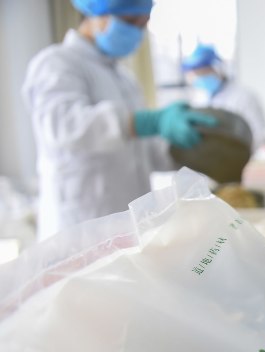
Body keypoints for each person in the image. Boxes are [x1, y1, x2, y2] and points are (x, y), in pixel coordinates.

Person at [23, 0, 217, 240]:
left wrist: (190, 149)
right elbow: (64, 127)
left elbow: (143, 152)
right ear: (96, 14)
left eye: (142, 24)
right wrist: (150, 121)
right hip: (79, 228)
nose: (136, 32)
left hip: (126, 225)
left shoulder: (125, 78)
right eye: (129, 22)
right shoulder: (56, 63)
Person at [182, 44, 265, 153]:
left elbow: (259, 135)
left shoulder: (244, 96)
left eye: (205, 72)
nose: (201, 77)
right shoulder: (199, 99)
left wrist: (238, 154)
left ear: (217, 69)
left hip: (241, 158)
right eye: (197, 74)